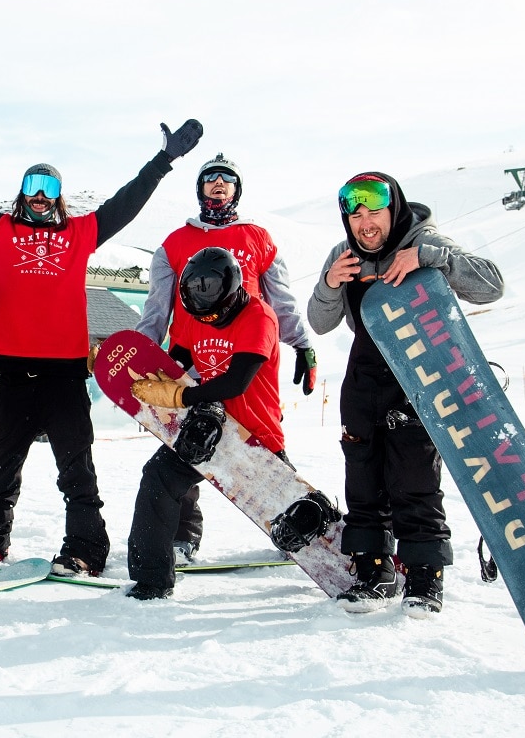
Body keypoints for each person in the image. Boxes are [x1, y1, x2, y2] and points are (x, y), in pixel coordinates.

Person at [0, 106, 203, 577]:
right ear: (21, 194)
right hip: (12, 374)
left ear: (58, 198)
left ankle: (86, 549)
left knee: (78, 472)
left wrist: (163, 160)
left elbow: (125, 202)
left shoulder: (80, 234)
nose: (38, 195)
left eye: (48, 187)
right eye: (31, 186)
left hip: (64, 375)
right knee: (1, 473)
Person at [307, 172, 504, 615]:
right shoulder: (343, 254)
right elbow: (319, 323)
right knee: (363, 480)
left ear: (393, 209)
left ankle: (423, 578)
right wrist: (329, 285)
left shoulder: (425, 240)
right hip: (363, 377)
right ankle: (374, 573)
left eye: (374, 211)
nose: (366, 223)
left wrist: (435, 259)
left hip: (419, 377)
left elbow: (492, 285)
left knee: (414, 478)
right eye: (356, 216)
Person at [134, 152, 316, 565]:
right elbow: (156, 308)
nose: (218, 184)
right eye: (210, 178)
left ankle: (293, 523)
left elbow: (281, 299)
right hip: (191, 352)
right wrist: (145, 357)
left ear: (237, 189)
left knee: (257, 436)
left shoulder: (258, 236)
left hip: (246, 352)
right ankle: (182, 536)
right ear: (199, 189)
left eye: (227, 179)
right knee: (188, 441)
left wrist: (302, 343)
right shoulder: (175, 243)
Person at [125, 247, 289, 599]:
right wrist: (130, 372)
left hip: (254, 434)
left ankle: (355, 553)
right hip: (208, 423)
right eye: (203, 315)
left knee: (291, 512)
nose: (209, 320)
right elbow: (174, 362)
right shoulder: (193, 315)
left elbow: (236, 382)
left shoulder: (259, 316)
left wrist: (178, 397)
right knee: (158, 477)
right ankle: (150, 580)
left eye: (216, 314)